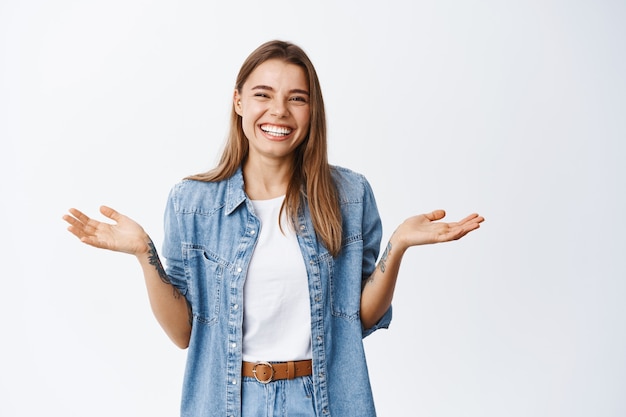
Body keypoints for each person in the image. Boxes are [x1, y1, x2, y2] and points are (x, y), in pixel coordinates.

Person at [63, 40, 484, 417]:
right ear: (239, 102)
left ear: (311, 110)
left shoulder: (349, 196)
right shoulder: (192, 203)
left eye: (296, 98)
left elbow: (360, 318)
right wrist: (144, 252)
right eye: (263, 95)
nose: (279, 111)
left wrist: (399, 245)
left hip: (324, 400)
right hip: (228, 401)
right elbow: (182, 333)